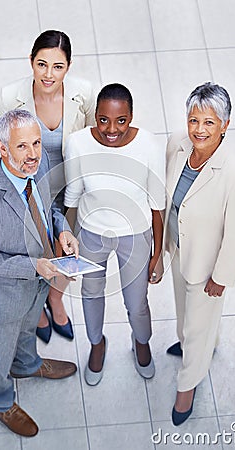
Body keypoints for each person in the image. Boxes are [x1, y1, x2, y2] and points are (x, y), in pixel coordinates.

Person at [0, 110, 79, 437]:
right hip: (4, 295)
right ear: (2, 148)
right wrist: (33, 266)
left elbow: (49, 208)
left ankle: (26, 365)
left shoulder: (38, 166)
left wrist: (64, 231)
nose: (32, 155)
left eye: (37, 143)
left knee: (28, 329)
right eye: (22, 147)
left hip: (38, 280)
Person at [164, 82, 235, 426]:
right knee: (186, 315)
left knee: (199, 325)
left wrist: (221, 276)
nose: (198, 130)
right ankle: (194, 341)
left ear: (225, 125)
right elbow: (169, 198)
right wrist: (163, 250)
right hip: (178, 249)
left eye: (209, 123)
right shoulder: (177, 144)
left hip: (207, 267)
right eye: (193, 120)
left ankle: (187, 385)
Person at [0, 29, 96, 343]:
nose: (48, 74)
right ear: (31, 61)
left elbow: (94, 138)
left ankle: (55, 298)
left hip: (69, 184)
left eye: (58, 66)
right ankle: (38, 307)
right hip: (30, 186)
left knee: (70, 247)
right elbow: (3, 146)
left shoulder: (83, 93)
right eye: (41, 65)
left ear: (68, 67)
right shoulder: (10, 96)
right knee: (35, 249)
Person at [64, 83, 166, 385]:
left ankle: (142, 341)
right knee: (91, 293)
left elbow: (157, 204)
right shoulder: (78, 143)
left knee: (137, 302)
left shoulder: (148, 144)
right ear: (95, 116)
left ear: (131, 117)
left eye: (121, 120)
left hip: (135, 233)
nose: (112, 129)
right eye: (103, 119)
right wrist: (65, 245)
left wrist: (157, 255)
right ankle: (97, 343)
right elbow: (72, 194)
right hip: (91, 231)